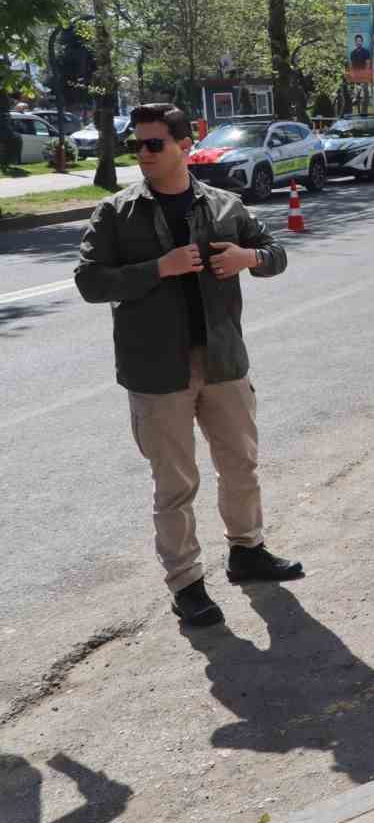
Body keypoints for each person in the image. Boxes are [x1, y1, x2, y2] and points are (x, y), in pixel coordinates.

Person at [74, 103, 300, 630]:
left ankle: (247, 552)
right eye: (138, 145)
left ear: (185, 143)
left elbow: (275, 250)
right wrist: (159, 268)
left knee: (240, 464)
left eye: (154, 144)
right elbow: (90, 281)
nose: (144, 154)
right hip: (157, 372)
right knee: (175, 484)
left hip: (223, 362)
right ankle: (186, 584)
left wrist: (250, 259)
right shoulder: (116, 212)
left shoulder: (224, 206)